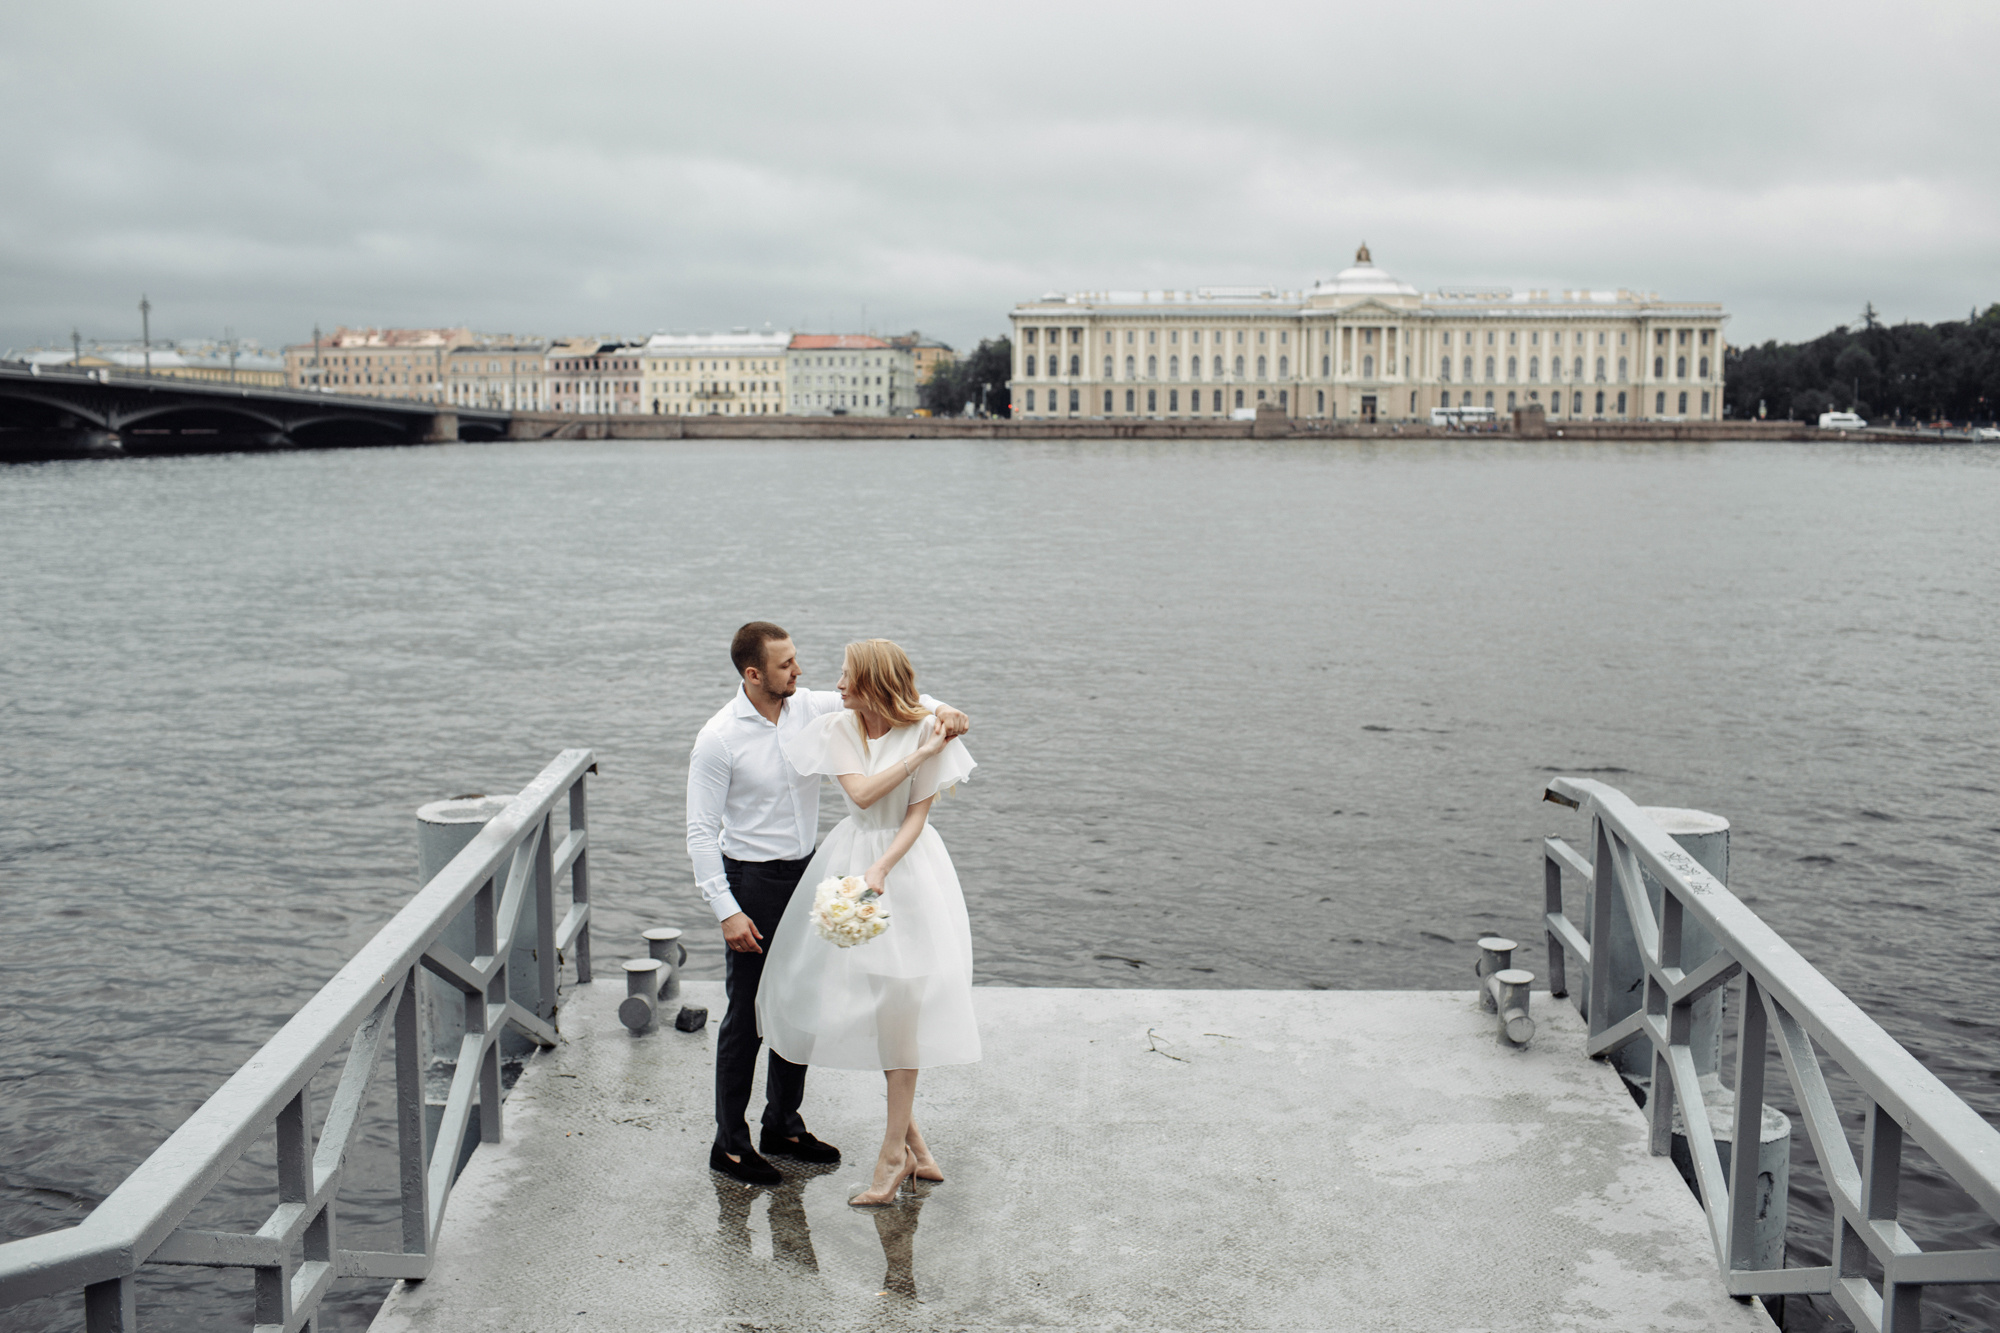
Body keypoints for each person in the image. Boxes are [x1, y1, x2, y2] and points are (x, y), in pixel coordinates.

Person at [686, 622, 969, 1186]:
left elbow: (899, 694)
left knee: (801, 1000)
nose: (799, 671)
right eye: (786, 664)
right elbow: (699, 832)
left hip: (809, 870)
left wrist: (949, 711)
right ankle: (731, 1144)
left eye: (795, 660)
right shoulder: (718, 739)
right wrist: (726, 909)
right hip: (752, 881)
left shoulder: (807, 707)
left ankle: (783, 1124)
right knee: (750, 1012)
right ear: (753, 674)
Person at [756, 638, 981, 1206]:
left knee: (901, 1011)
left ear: (874, 683)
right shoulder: (839, 729)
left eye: (847, 676)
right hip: (850, 860)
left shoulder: (926, 725)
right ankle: (916, 1151)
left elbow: (915, 815)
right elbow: (860, 797)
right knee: (886, 1018)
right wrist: (923, 751)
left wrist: (882, 867)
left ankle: (893, 1156)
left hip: (909, 872)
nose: (836, 685)